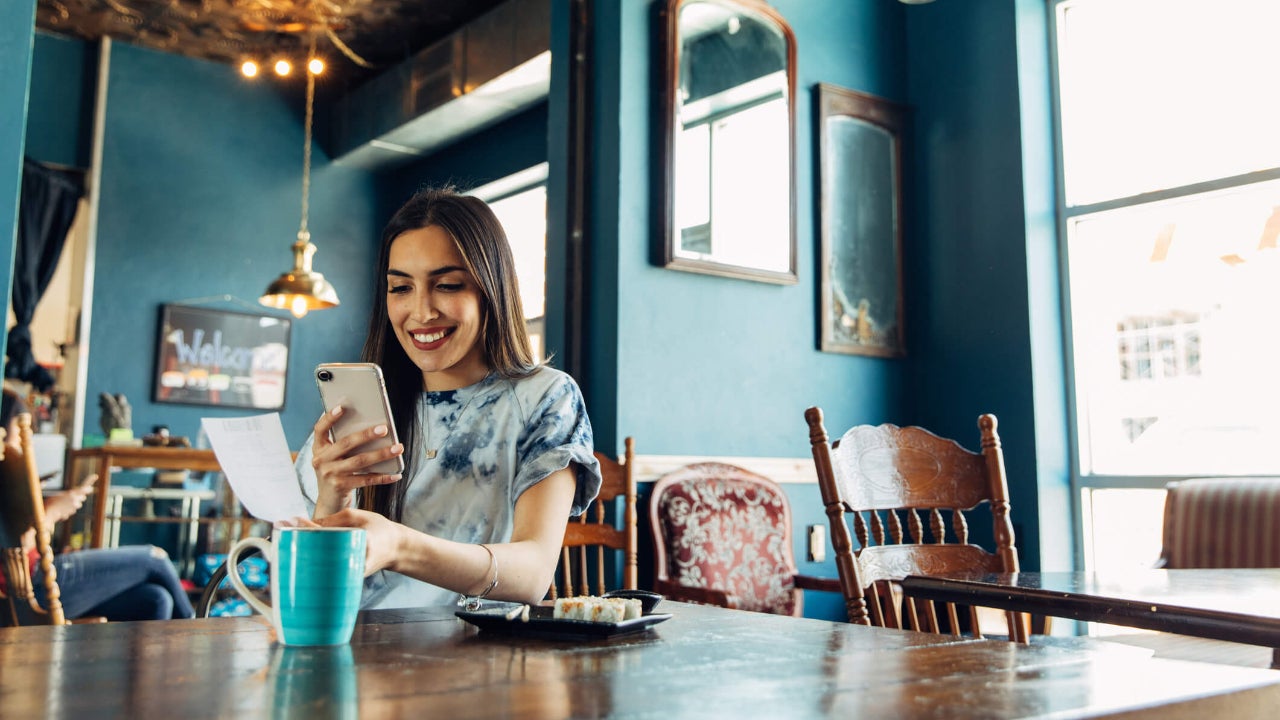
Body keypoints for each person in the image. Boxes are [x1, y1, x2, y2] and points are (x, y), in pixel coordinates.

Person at [292, 187, 602, 610]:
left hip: (480, 659)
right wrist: (333, 500)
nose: (421, 312)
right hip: (354, 650)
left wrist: (400, 545)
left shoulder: (544, 398)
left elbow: (532, 576)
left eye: (448, 285)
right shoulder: (360, 407)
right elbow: (308, 597)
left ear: (490, 288)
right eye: (400, 288)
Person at [1, 386, 195, 622]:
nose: (23, 443)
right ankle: (201, 633)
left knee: (156, 598)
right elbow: (14, 548)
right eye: (18, 434)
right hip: (30, 589)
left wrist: (52, 509)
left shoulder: (9, 472)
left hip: (40, 573)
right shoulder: (7, 469)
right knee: (155, 558)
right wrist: (51, 512)